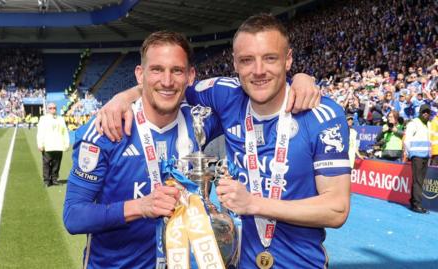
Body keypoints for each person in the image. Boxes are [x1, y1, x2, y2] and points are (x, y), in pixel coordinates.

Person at [97, 14, 350, 269]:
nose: (259, 70)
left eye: (270, 58)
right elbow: (169, 85)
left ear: (288, 60)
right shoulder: (224, 94)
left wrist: (254, 204)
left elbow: (336, 208)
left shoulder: (321, 114)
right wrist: (123, 97)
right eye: (247, 60)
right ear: (235, 64)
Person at [63, 31, 225, 268]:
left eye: (177, 70)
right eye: (157, 69)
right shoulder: (106, 130)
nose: (167, 81)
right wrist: (140, 207)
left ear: (190, 75)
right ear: (140, 74)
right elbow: (74, 217)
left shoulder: (201, 121)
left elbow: (259, 92)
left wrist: (300, 79)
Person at [404, 104, 431, 214]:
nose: (426, 113)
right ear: (420, 112)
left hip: (425, 156)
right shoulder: (414, 123)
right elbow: (407, 139)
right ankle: (417, 205)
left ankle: (413, 201)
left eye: (428, 112)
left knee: (419, 180)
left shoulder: (428, 124)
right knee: (418, 181)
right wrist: (411, 153)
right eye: (424, 111)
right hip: (417, 156)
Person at [36, 102, 69, 187]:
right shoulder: (43, 119)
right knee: (46, 164)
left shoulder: (60, 119)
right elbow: (40, 132)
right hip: (48, 145)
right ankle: (47, 181)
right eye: (50, 108)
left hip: (58, 145)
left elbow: (65, 132)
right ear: (47, 109)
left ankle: (54, 179)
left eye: (54, 108)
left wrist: (66, 143)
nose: (52, 110)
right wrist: (40, 144)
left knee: (56, 164)